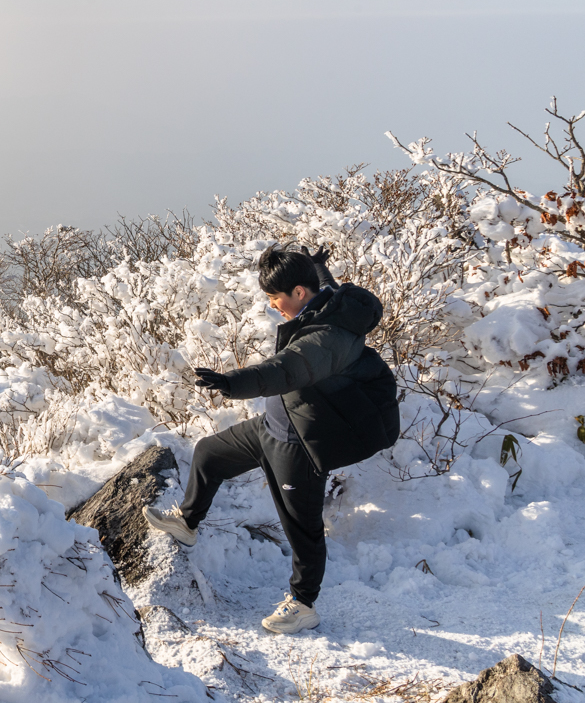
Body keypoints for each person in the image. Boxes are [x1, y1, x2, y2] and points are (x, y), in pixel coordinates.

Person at [141, 245, 400, 634]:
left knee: (302, 528)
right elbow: (327, 288)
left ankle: (303, 605)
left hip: (299, 447)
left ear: (298, 292)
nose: (274, 306)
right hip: (272, 428)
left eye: (275, 298)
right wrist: (318, 268)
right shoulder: (326, 303)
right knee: (209, 452)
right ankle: (187, 524)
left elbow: (284, 369)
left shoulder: (328, 337)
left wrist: (232, 383)